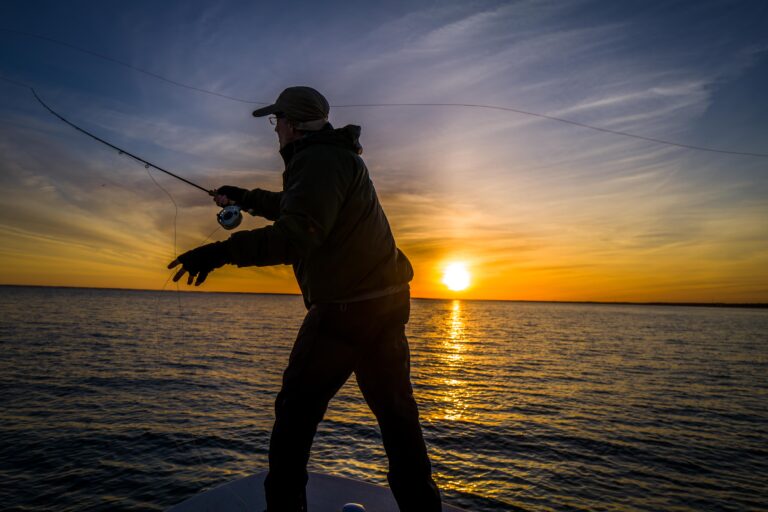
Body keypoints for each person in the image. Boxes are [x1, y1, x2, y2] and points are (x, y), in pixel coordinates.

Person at [168, 86, 442, 511]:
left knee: (294, 417)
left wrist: (218, 252)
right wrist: (245, 197)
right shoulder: (335, 156)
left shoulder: (317, 160)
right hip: (385, 303)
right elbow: (301, 206)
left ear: (291, 124)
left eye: (276, 121)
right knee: (398, 420)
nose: (275, 129)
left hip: (346, 311)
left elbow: (298, 234)